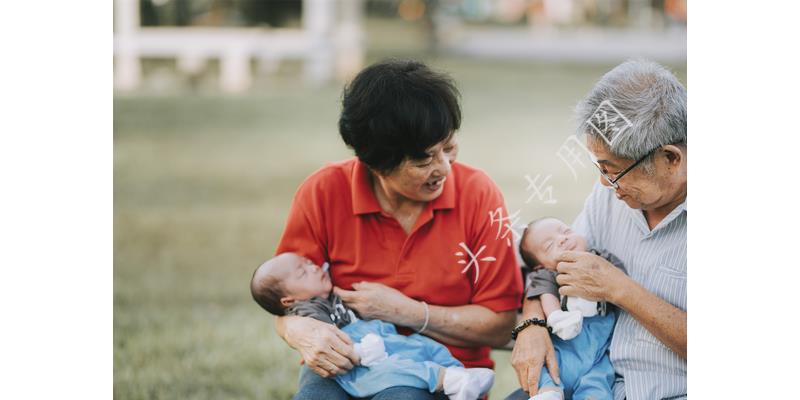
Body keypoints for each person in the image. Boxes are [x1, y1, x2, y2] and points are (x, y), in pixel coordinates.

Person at [272, 59, 524, 400]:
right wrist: (297, 329)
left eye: (448, 147)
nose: (444, 168)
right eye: (424, 161)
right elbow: (285, 299)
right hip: (348, 366)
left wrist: (406, 311)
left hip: (444, 374)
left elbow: (500, 324)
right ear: (376, 163)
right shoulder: (323, 192)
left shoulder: (478, 194)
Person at [508, 59, 687, 400]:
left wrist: (621, 290)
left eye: (613, 170)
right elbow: (551, 269)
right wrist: (531, 322)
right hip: (588, 381)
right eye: (599, 166)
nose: (604, 183)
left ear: (670, 159)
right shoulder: (611, 195)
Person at [251, 252, 496, 400]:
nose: (313, 267)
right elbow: (315, 335)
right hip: (357, 359)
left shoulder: (326, 289)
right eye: (303, 273)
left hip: (385, 338)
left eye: (307, 262)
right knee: (399, 370)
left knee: (427, 348)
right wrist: (359, 352)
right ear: (289, 301)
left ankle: (461, 378)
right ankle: (448, 381)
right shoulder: (307, 310)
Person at [517, 217, 626, 400]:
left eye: (566, 231)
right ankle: (548, 392)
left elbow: (621, 283)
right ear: (540, 265)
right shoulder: (547, 275)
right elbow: (545, 295)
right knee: (547, 366)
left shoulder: (602, 259)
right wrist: (556, 316)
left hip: (599, 350)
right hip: (563, 347)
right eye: (550, 245)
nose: (562, 239)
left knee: (598, 377)